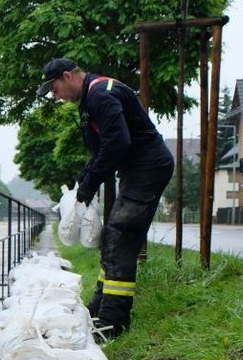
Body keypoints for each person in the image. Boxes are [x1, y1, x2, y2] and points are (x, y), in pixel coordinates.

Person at [38, 57, 174, 341]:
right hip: (136, 169)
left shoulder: (100, 95)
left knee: (120, 236)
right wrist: (83, 179)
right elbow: (101, 151)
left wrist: (89, 186)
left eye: (55, 89)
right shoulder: (91, 99)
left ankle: (113, 321)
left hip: (147, 167)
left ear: (67, 76)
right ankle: (99, 308)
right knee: (114, 238)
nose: (56, 96)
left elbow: (118, 143)